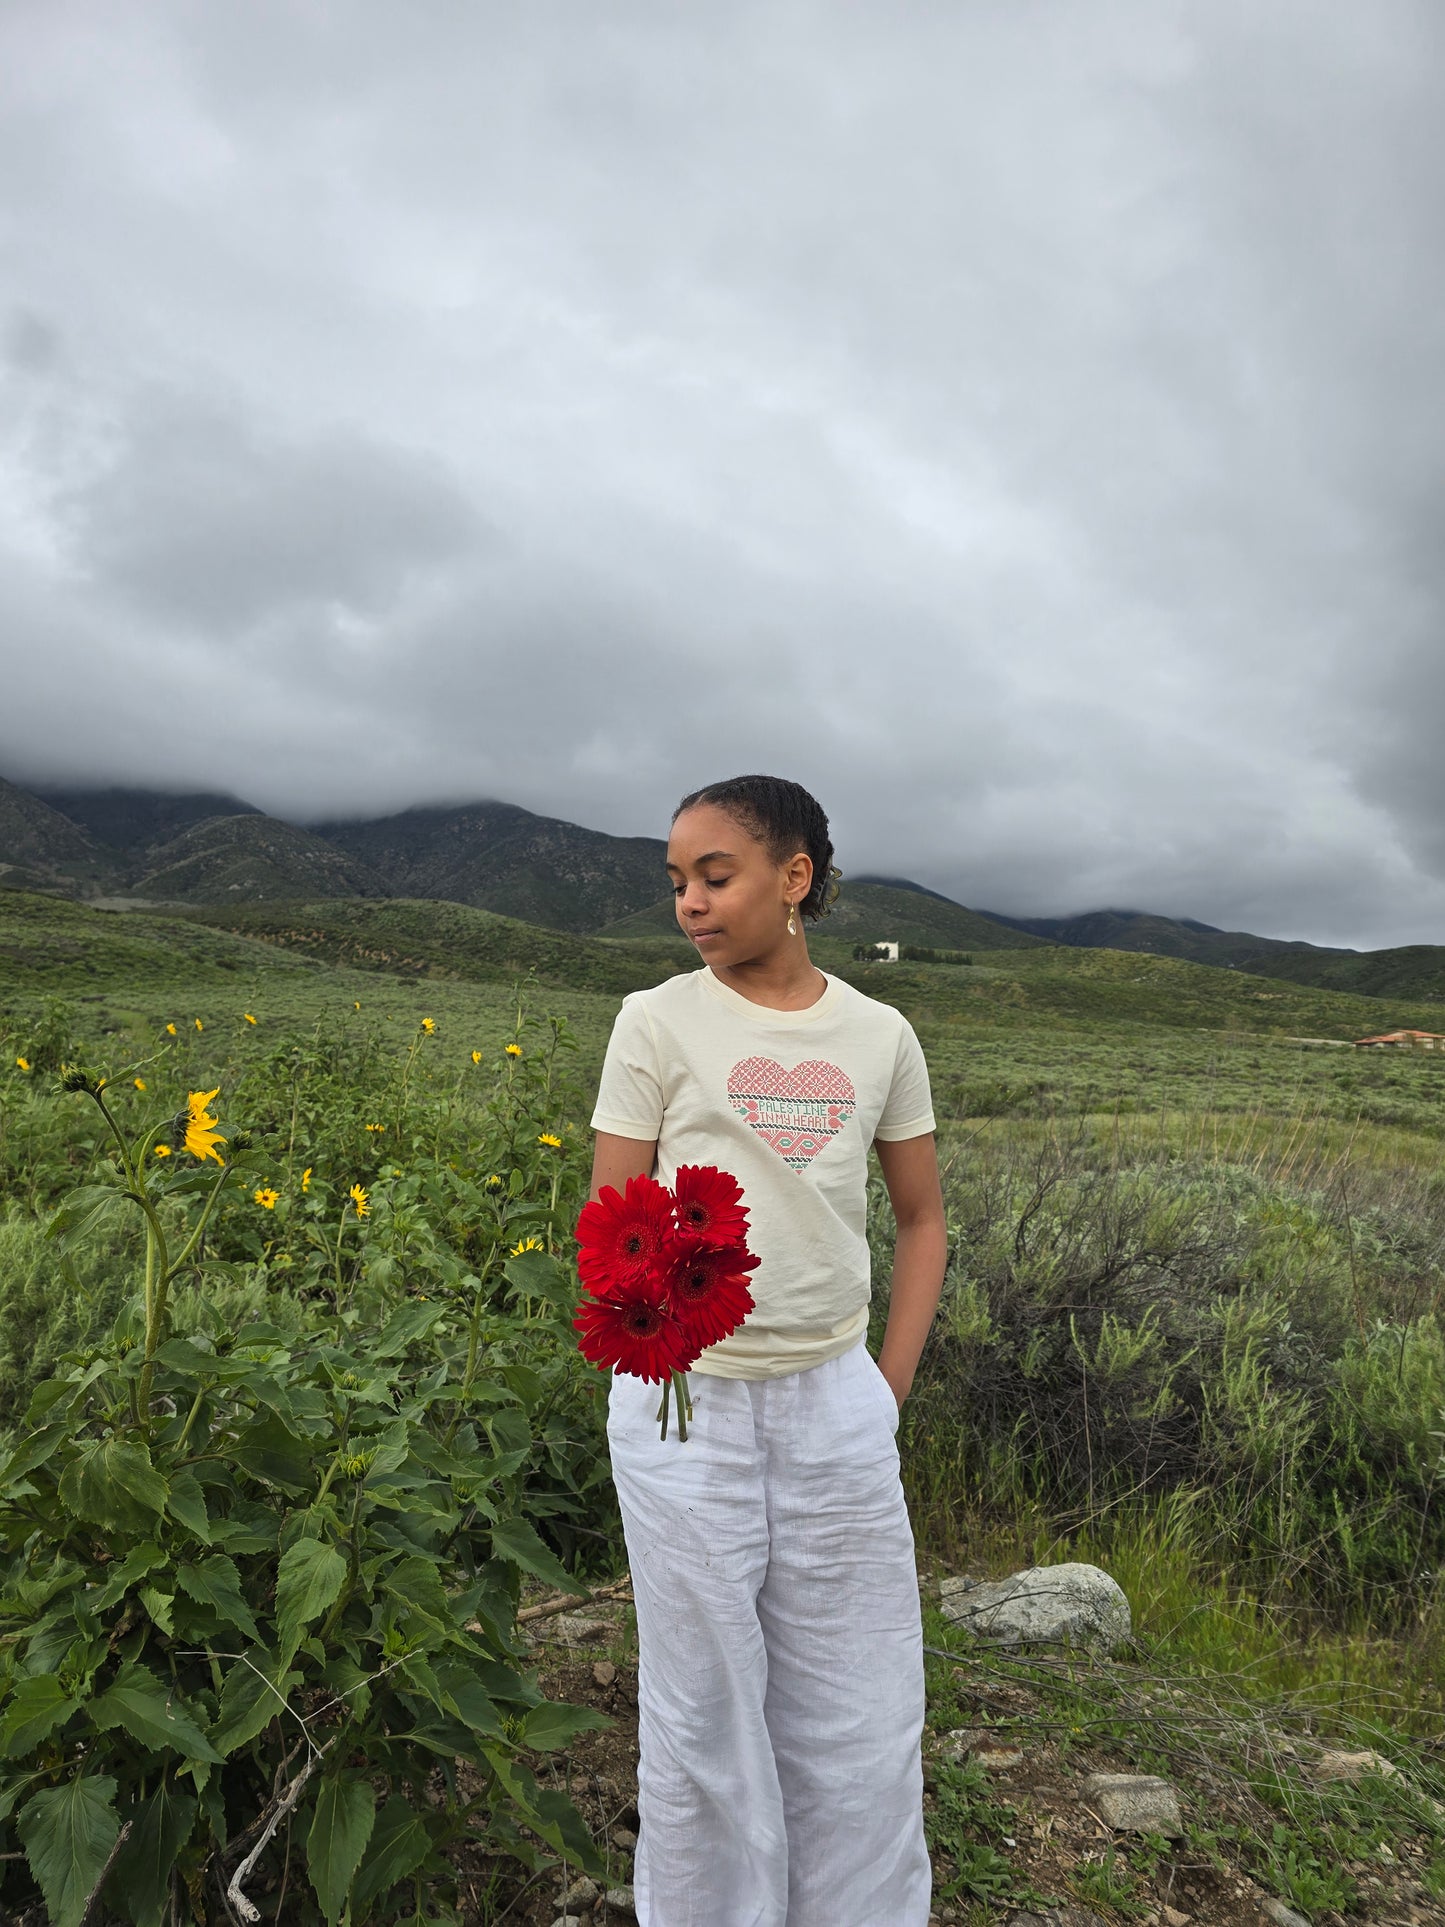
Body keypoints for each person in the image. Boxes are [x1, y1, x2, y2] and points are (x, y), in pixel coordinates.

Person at [588, 773, 948, 1927]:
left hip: (832, 1404)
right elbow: (611, 1221)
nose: (688, 902)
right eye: (676, 881)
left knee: (859, 1702)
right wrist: (657, 1336)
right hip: (684, 1408)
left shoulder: (878, 1033)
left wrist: (880, 1390)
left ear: (793, 879)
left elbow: (921, 1219)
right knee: (701, 1710)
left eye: (714, 874)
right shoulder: (654, 1019)